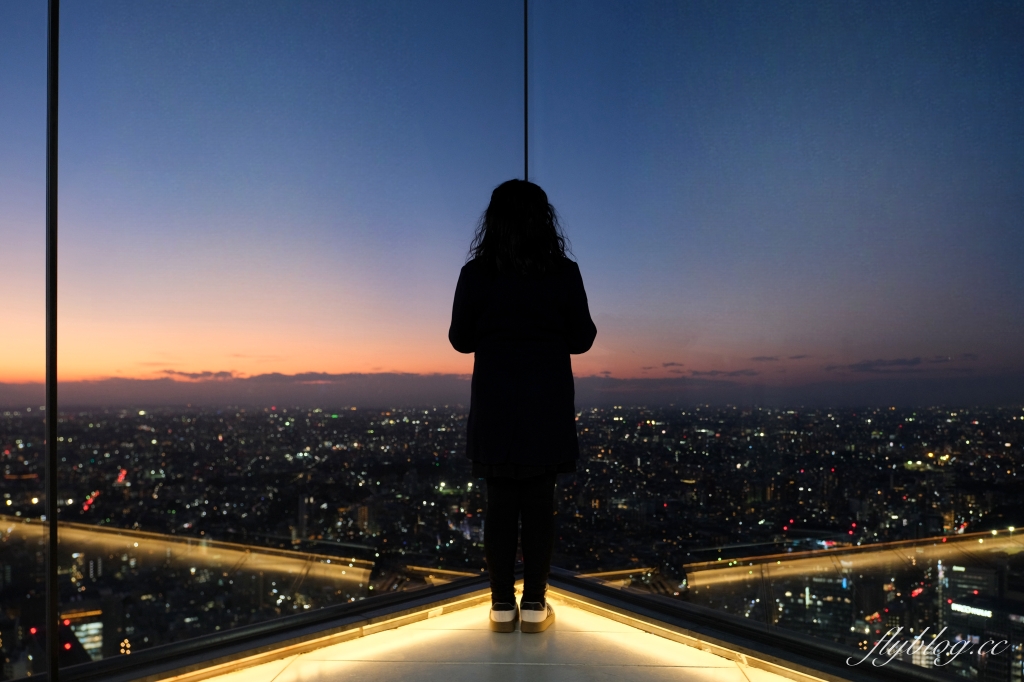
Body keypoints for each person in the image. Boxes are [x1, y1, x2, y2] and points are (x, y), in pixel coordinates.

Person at [448, 179, 597, 633]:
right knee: (538, 503)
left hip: (496, 401)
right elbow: (583, 337)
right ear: (544, 221)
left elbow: (459, 339)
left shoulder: (476, 273)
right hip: (545, 402)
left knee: (499, 504)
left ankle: (499, 606)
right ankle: (534, 605)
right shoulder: (563, 272)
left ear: (493, 221)